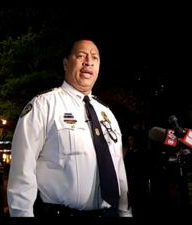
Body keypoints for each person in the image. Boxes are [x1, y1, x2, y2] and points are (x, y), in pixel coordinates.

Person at [7, 39, 132, 217]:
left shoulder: (107, 115)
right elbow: (22, 170)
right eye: (81, 56)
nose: (88, 62)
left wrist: (125, 213)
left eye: (94, 58)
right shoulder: (44, 105)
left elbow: (119, 171)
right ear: (66, 63)